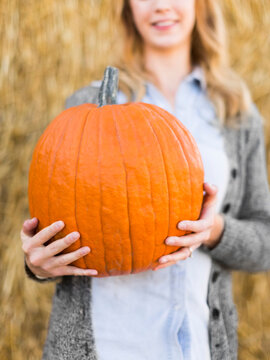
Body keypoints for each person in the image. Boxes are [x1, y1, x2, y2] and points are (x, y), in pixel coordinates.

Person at [21, 0, 270, 359]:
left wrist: (213, 230)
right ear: (126, 9)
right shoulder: (87, 103)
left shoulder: (237, 113)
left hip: (197, 345)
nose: (160, 6)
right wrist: (37, 263)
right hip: (104, 344)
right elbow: (53, 217)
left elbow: (264, 237)